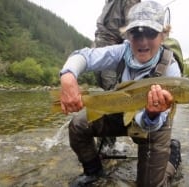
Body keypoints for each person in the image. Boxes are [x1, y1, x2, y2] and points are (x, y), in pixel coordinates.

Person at [60, 1, 181, 186]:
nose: (142, 41)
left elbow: (154, 121)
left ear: (163, 35)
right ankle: (94, 171)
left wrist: (151, 114)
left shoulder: (171, 70)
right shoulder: (122, 51)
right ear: (127, 34)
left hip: (155, 123)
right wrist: (68, 77)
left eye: (151, 33)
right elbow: (84, 56)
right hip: (122, 109)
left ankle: (171, 157)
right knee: (78, 125)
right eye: (136, 33)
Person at [94, 0, 140, 150]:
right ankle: (105, 140)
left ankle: (109, 142)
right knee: (104, 90)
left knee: (112, 94)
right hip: (100, 46)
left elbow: (132, 28)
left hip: (113, 51)